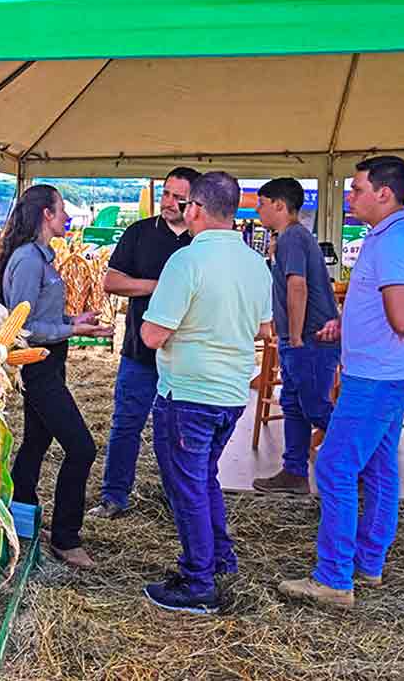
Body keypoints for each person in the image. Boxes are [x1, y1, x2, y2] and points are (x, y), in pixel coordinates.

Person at [279, 156, 404, 608]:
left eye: (356, 189)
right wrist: (348, 326)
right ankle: (368, 563)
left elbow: (400, 317)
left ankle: (334, 577)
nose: (350, 196)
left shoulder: (394, 242)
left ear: (384, 193)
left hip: (377, 375)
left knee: (335, 466)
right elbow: (388, 308)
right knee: (378, 467)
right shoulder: (394, 235)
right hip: (387, 370)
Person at [139, 171, 272, 614]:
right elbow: (264, 327)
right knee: (203, 478)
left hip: (188, 392)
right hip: (232, 392)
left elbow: (153, 335)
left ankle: (198, 583)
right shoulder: (255, 263)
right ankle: (219, 558)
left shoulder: (186, 262)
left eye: (186, 206)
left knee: (187, 487)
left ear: (195, 208)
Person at [0, 184, 114, 569]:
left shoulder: (40, 257)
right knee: (82, 448)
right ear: (46, 215)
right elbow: (24, 327)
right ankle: (66, 537)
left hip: (49, 362)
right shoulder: (30, 260)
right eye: (62, 210)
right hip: (39, 366)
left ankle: (22, 519)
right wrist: (74, 331)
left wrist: (71, 320)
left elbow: (38, 317)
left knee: (35, 442)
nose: (67, 217)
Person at [89, 167, 199, 519]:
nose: (168, 202)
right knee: (126, 424)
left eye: (177, 198)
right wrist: (159, 287)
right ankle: (114, 496)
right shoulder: (139, 233)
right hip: (140, 351)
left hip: (185, 355)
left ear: (194, 202)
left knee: (179, 433)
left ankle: (178, 497)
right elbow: (111, 281)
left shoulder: (203, 240)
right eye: (165, 193)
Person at [252, 178, 340, 494]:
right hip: (304, 336)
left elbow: (297, 286)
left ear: (279, 204)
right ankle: (294, 471)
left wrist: (297, 335)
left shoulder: (291, 238)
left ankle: (366, 462)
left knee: (314, 405)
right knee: (293, 403)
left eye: (261, 203)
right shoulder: (293, 237)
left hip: (310, 338)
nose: (257, 209)